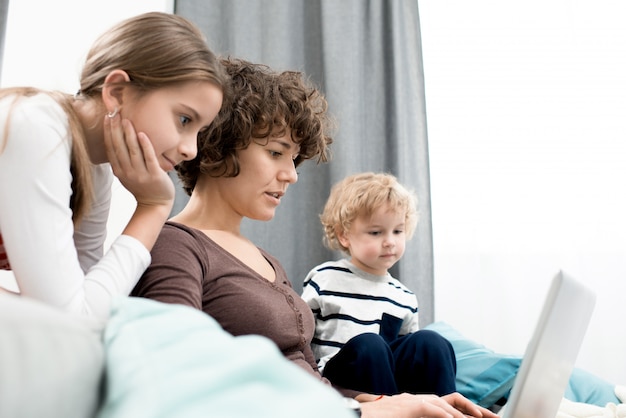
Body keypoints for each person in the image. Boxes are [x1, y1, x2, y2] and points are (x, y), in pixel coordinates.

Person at [132, 57, 498, 418]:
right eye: (276, 153)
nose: (291, 175)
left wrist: (375, 402)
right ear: (217, 145)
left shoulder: (266, 261)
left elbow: (308, 377)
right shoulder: (175, 244)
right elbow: (175, 375)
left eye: (293, 159)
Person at [0, 12, 226, 318]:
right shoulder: (37, 127)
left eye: (198, 131)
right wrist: (153, 207)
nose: (190, 149)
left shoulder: (93, 166)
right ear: (117, 92)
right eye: (184, 119)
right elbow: (71, 318)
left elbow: (91, 298)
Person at [301, 171, 457, 396]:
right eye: (376, 232)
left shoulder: (404, 296)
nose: (390, 242)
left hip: (387, 385)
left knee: (431, 342)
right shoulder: (324, 278)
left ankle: (444, 410)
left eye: (398, 231)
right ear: (344, 235)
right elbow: (298, 339)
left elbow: (409, 361)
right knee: (370, 345)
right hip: (338, 386)